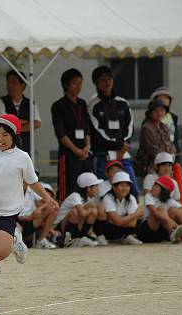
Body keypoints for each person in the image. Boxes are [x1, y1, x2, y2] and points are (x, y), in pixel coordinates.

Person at [0, 114, 57, 315]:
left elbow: (33, 181)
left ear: (14, 136)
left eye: (5, 134)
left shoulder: (22, 157)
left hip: (7, 214)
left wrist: (47, 198)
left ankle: (15, 239)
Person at [88, 65, 139, 197]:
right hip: (103, 155)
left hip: (123, 154)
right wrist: (119, 145)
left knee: (133, 190)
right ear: (95, 83)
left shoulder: (123, 103)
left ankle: (135, 217)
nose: (107, 82)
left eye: (109, 78)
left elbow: (129, 126)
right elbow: (97, 131)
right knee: (105, 192)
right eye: (103, 80)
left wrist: (124, 144)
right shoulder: (93, 105)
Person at [52, 68, 93, 201]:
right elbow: (60, 133)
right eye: (75, 83)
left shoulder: (82, 104)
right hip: (69, 154)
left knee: (86, 185)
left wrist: (87, 146)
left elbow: (87, 128)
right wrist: (76, 151)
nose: (78, 86)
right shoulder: (58, 106)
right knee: (68, 187)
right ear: (66, 85)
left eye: (80, 83)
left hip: (84, 152)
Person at [0, 70, 41, 155]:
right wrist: (26, 122)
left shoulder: (31, 103)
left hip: (26, 146)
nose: (10, 85)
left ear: (23, 86)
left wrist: (14, 127)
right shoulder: (0, 102)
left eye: (14, 82)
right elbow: (2, 123)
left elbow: (37, 123)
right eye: (8, 83)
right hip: (5, 148)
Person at [53, 172, 101, 248]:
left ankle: (80, 237)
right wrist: (90, 207)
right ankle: (68, 239)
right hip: (60, 226)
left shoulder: (88, 198)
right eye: (96, 187)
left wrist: (91, 208)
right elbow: (82, 213)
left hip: (75, 224)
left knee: (94, 211)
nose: (98, 189)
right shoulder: (75, 196)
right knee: (75, 212)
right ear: (88, 188)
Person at [136, 176, 182, 243]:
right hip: (145, 232)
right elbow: (153, 211)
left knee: (172, 211)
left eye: (156, 186)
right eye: (153, 185)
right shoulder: (149, 196)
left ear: (163, 190)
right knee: (160, 210)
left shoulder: (169, 201)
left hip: (159, 235)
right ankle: (171, 232)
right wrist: (170, 221)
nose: (152, 187)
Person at [99, 171, 143, 245]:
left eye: (127, 185)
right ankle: (102, 236)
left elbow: (133, 223)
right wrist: (136, 214)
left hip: (119, 227)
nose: (125, 188)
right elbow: (118, 221)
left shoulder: (131, 198)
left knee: (139, 213)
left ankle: (127, 236)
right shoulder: (108, 197)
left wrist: (115, 221)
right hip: (110, 230)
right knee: (101, 210)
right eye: (121, 185)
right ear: (114, 187)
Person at [135, 99, 176, 175]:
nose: (159, 113)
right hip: (151, 164)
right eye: (156, 111)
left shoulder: (164, 127)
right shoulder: (146, 128)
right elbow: (153, 150)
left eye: (162, 110)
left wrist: (172, 154)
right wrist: (167, 157)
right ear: (150, 113)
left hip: (165, 163)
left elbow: (171, 144)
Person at [17, 182, 58, 249]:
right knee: (16, 229)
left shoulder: (32, 190)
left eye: (24, 182)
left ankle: (41, 240)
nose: (22, 184)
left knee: (53, 208)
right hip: (16, 222)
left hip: (31, 221)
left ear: (27, 183)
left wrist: (40, 208)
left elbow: (49, 201)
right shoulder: (13, 191)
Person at [150, 86, 181, 161]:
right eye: (161, 97)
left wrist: (176, 150)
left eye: (166, 97)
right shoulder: (151, 118)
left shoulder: (173, 117)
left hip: (173, 151)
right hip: (158, 153)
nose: (164, 100)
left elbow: (176, 136)